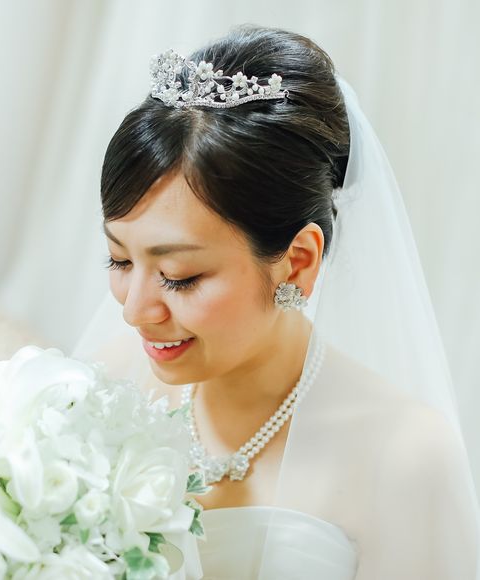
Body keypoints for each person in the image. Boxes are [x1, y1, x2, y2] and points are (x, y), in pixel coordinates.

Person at [72, 24, 480, 579]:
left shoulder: (406, 458)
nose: (134, 310)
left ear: (298, 261)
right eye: (120, 261)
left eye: (179, 276)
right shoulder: (105, 392)